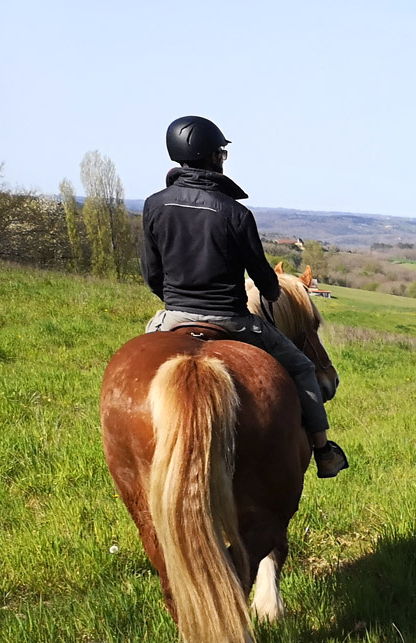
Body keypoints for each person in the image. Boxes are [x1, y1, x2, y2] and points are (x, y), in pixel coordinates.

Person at [140, 115, 348, 478]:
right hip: (231, 319)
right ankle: (323, 450)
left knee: (142, 363)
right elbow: (263, 277)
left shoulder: (154, 205)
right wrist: (271, 290)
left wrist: (175, 300)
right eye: (221, 153)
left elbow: (151, 273)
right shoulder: (235, 212)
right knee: (302, 367)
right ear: (212, 156)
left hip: (173, 316)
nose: (222, 158)